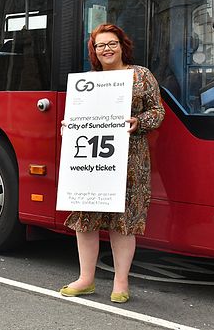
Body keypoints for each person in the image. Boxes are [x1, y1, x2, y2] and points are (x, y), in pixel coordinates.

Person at [60, 23, 165, 303]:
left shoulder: (141, 76)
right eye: (100, 45)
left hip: (130, 161)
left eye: (111, 43)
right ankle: (86, 279)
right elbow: (79, 115)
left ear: (122, 46)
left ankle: (120, 283)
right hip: (92, 161)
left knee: (123, 223)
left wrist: (138, 121)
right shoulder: (88, 81)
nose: (106, 49)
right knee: (86, 220)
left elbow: (158, 112)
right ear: (94, 51)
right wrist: (69, 126)